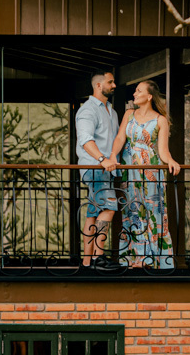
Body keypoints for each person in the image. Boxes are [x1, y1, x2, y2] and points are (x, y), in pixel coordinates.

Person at [106, 80, 181, 268]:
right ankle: (136, 258)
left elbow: (163, 151)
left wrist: (171, 161)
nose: (134, 94)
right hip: (130, 171)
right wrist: (113, 155)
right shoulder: (129, 114)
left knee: (154, 212)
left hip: (151, 172)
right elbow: (120, 138)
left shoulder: (160, 120)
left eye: (138, 91)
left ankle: (154, 259)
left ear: (149, 96)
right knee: (132, 212)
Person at [74, 71, 120, 267]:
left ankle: (87, 262)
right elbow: (85, 140)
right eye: (110, 82)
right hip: (95, 167)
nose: (114, 85)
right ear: (98, 85)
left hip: (106, 169)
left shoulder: (112, 111)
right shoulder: (88, 110)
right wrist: (102, 159)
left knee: (93, 213)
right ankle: (98, 257)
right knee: (109, 208)